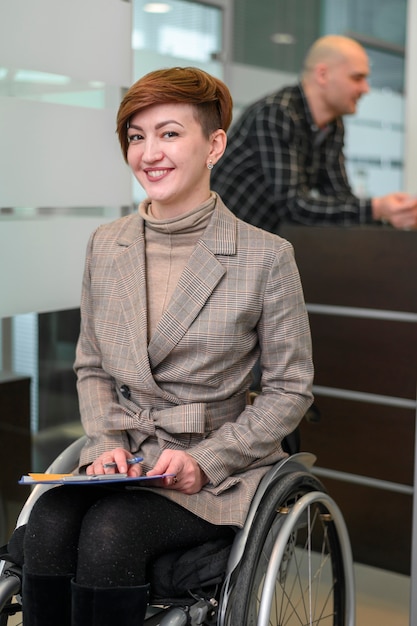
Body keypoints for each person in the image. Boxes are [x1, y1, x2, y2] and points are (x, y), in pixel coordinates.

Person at [12, 67, 313, 626]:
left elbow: (289, 390)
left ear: (214, 144)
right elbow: (93, 365)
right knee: (49, 521)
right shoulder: (108, 245)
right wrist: (104, 440)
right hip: (124, 459)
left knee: (111, 533)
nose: (150, 152)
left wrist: (206, 459)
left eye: (170, 133)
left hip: (215, 469)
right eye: (136, 136)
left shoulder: (265, 256)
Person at [211, 34, 417, 233]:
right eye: (357, 78)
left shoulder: (333, 125)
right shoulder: (276, 113)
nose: (366, 89)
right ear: (322, 75)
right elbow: (293, 206)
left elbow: (340, 198)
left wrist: (391, 217)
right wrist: (376, 208)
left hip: (261, 243)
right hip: (221, 241)